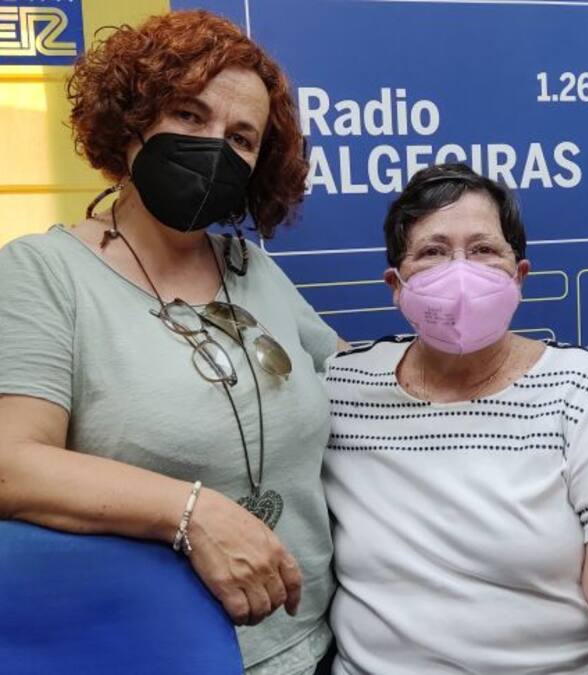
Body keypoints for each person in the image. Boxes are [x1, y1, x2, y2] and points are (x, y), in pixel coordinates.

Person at [0, 11, 343, 673]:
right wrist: (189, 511)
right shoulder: (42, 274)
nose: (214, 146)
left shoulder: (254, 267)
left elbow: (352, 376)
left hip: (319, 643)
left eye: (241, 139)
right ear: (132, 121)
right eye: (188, 115)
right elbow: (11, 463)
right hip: (160, 652)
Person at [322, 163, 588, 675]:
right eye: (432, 251)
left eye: (484, 249)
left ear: (520, 276)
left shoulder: (581, 386)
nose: (460, 271)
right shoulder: (339, 388)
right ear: (396, 285)